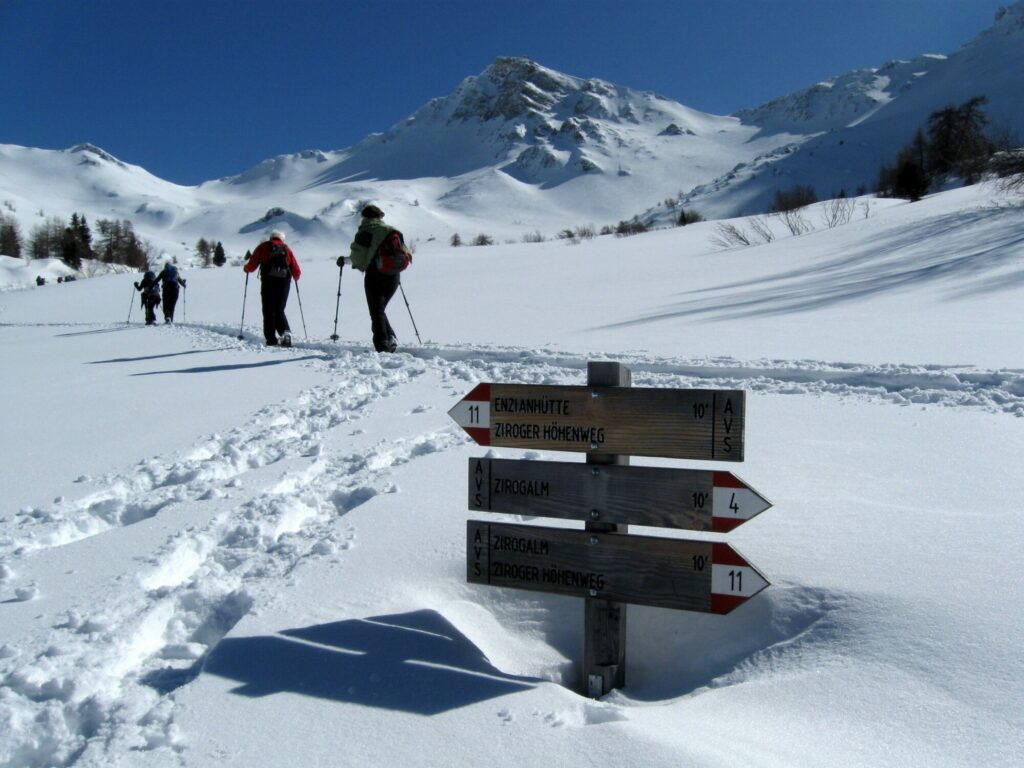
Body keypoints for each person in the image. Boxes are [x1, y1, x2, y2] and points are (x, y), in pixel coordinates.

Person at [340, 204, 409, 353]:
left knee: (376, 311)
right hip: (394, 276)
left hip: (375, 275)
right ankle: (391, 338)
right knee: (379, 310)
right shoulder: (392, 230)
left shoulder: (365, 232)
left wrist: (345, 261)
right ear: (380, 216)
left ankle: (382, 346)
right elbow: (406, 252)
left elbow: (357, 257)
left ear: (364, 217)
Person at [243, 230, 301, 346]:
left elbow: (252, 265)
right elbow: (297, 271)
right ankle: (285, 333)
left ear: (271, 238)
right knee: (279, 309)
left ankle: (271, 339)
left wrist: (246, 268)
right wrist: (295, 277)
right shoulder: (287, 249)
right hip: (284, 282)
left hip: (268, 281)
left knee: (268, 310)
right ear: (282, 239)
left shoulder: (263, 247)